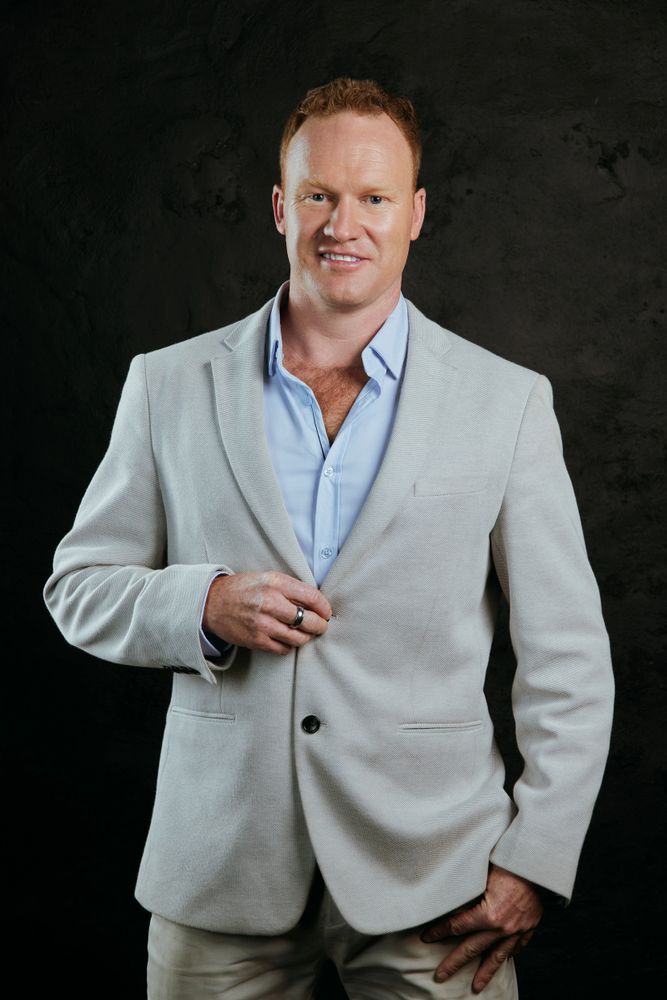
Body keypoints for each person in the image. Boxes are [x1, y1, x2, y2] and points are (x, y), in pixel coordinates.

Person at [43, 77, 614, 999]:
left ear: (415, 213)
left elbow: (568, 659)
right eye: (318, 195)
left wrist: (535, 860)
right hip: (218, 870)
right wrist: (204, 604)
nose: (342, 224)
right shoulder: (168, 385)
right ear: (280, 206)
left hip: (439, 879)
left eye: (373, 197)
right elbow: (77, 587)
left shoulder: (506, 404)